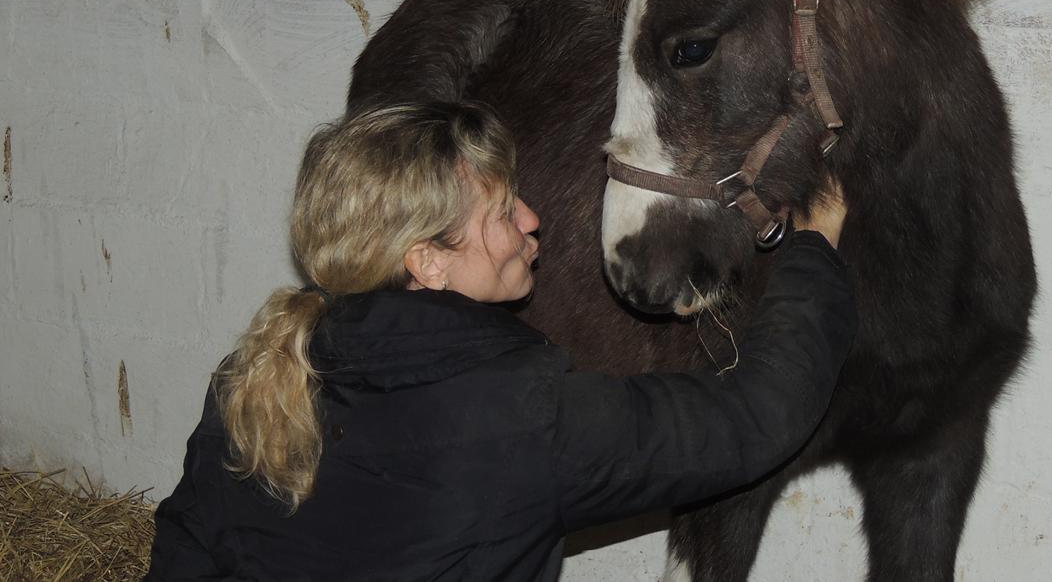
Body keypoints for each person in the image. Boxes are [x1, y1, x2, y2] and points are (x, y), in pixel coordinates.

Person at [146, 101, 855, 581]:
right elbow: (757, 416)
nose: (530, 217)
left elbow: (186, 547)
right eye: (498, 211)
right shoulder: (523, 416)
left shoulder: (260, 370)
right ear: (426, 260)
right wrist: (813, 248)